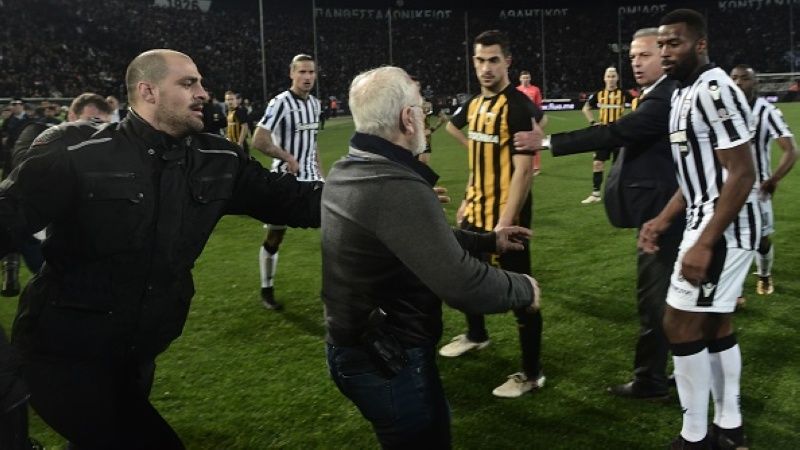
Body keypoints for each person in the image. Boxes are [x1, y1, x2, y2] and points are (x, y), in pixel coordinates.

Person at [0, 49, 322, 449]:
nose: (203, 93)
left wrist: (380, 193)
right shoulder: (79, 155)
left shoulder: (217, 158)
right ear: (148, 91)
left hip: (136, 355)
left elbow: (296, 200)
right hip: (62, 355)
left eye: (201, 83)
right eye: (188, 84)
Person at [322, 65, 540, 450]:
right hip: (389, 357)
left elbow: (416, 239)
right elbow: (462, 284)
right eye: (420, 109)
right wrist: (524, 288)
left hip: (361, 346)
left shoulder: (349, 168)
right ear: (408, 119)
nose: (424, 117)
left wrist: (489, 240)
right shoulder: (396, 184)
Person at [517, 28, 681, 401]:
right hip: (663, 211)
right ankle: (679, 372)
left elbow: (616, 132)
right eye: (633, 56)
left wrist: (545, 141)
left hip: (664, 215)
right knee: (673, 299)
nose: (636, 63)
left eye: (645, 55)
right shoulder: (657, 95)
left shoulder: (663, 97)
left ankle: (651, 381)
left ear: (666, 56)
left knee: (655, 302)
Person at [640, 10, 758, 449]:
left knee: (679, 323)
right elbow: (699, 176)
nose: (666, 52)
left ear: (700, 44)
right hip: (705, 220)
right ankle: (730, 427)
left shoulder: (714, 88)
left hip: (722, 228)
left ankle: (695, 437)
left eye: (675, 43)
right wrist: (664, 218)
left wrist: (704, 242)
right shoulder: (682, 93)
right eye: (662, 44)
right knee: (715, 325)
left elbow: (741, 173)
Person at [441, 30, 546, 399]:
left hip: (506, 216)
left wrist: (507, 221)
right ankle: (476, 334)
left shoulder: (516, 106)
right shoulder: (473, 105)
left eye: (493, 60)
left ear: (507, 62)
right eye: (480, 60)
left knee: (522, 293)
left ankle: (532, 374)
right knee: (464, 278)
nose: (486, 68)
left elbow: (522, 171)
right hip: (477, 209)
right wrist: (469, 197)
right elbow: (478, 158)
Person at [251, 54, 322, 310]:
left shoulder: (315, 104)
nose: (307, 77)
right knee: (275, 236)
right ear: (292, 74)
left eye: (311, 72)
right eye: (302, 72)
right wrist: (286, 156)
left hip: (313, 181)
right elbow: (259, 140)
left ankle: (338, 290)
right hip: (285, 182)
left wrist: (321, 175)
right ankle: (267, 288)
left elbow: (314, 145)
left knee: (335, 231)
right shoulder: (280, 103)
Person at [729, 64, 797, 298]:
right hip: (727, 187)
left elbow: (790, 150)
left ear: (755, 82)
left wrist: (774, 179)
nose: (738, 83)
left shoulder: (767, 111)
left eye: (744, 79)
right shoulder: (724, 111)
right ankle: (734, 291)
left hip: (757, 190)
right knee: (729, 239)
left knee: (761, 240)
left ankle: (764, 274)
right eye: (734, 78)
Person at [580, 67, 629, 204]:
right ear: (604, 78)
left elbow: (638, 104)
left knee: (617, 167)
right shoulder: (599, 94)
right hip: (603, 134)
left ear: (617, 78)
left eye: (613, 76)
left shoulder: (623, 93)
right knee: (597, 163)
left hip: (619, 134)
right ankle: (595, 194)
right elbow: (586, 108)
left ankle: (617, 194)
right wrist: (593, 122)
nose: (611, 79)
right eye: (609, 76)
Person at [410, 76, 447, 165]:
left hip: (424, 139)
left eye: (417, 85)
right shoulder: (403, 104)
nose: (415, 87)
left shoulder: (427, 104)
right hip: (409, 139)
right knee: (410, 167)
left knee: (422, 165)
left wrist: (432, 129)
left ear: (420, 87)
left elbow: (443, 117)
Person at [517, 70, 546, 175]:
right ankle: (521, 165)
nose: (525, 79)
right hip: (520, 119)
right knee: (520, 142)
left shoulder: (535, 90)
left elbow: (538, 105)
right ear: (520, 79)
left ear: (530, 78)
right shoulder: (517, 90)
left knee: (534, 141)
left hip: (533, 120)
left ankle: (536, 167)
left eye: (527, 77)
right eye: (524, 77)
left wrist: (538, 119)